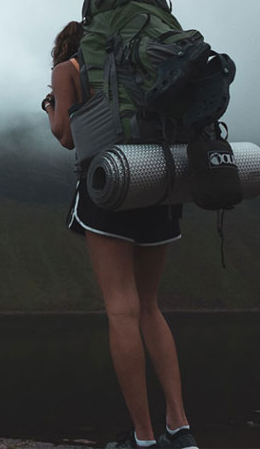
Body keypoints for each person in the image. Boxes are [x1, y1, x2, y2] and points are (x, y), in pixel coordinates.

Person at [43, 22, 198, 449]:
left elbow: (66, 136)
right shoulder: (145, 63)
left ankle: (144, 439)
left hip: (111, 185)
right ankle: (180, 428)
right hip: (160, 180)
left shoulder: (68, 68)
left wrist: (51, 105)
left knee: (121, 310)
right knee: (149, 305)